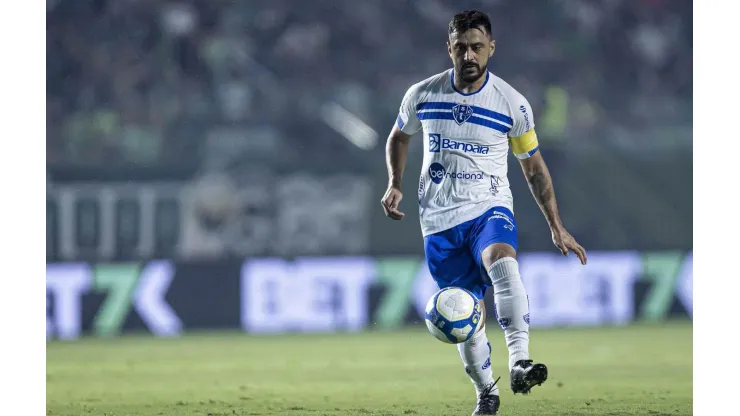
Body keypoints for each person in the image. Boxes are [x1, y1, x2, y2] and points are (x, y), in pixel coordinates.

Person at [380, 10, 587, 416]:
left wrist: (556, 226)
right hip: (438, 221)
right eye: (461, 47)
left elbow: (534, 168)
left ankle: (520, 361)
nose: (469, 55)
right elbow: (398, 137)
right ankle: (486, 392)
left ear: (491, 48)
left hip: (489, 207)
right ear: (450, 48)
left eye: (477, 47)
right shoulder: (422, 94)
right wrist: (395, 183)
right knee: (464, 314)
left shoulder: (512, 104)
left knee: (503, 263)